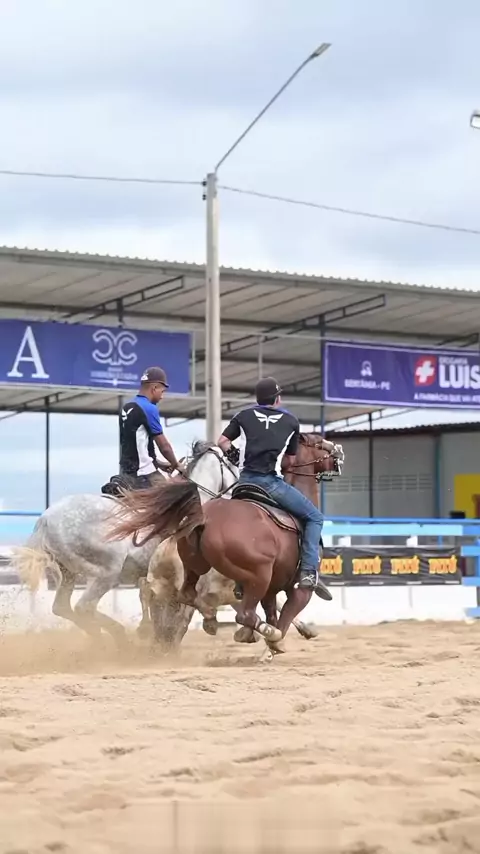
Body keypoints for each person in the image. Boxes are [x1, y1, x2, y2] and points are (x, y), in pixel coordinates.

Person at [217, 376, 331, 601]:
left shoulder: (243, 415)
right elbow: (290, 461)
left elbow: (222, 441)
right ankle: (309, 571)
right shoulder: (291, 421)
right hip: (270, 483)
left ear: (257, 398)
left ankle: (240, 578)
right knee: (315, 517)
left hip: (243, 483)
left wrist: (237, 458)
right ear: (277, 399)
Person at [119, 366, 184, 488]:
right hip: (145, 475)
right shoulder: (149, 408)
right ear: (154, 388)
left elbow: (134, 449)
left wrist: (159, 463)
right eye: (162, 391)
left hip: (126, 473)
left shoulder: (127, 407)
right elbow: (164, 447)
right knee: (176, 494)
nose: (162, 397)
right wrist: (176, 464)